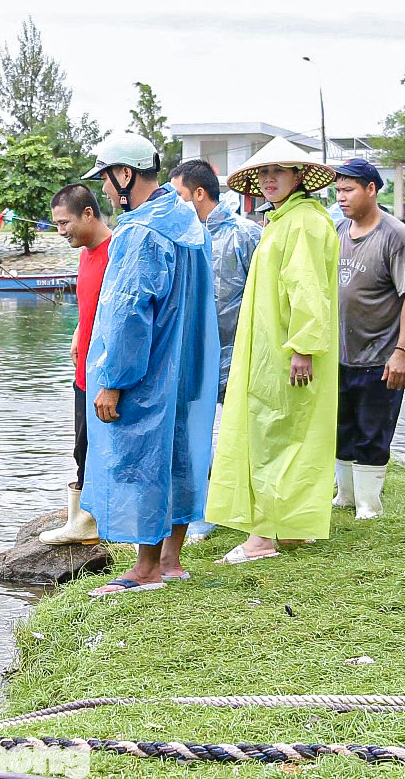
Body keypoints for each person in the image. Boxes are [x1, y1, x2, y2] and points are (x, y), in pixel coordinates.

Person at [76, 133, 219, 595]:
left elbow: (130, 311)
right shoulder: (187, 221)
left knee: (141, 459)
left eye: (105, 179)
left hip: (148, 368)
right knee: (178, 455)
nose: (104, 191)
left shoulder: (140, 232)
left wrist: (113, 380)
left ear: (125, 174)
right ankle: (172, 561)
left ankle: (146, 569)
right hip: (185, 365)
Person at [205, 137, 340, 564]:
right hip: (274, 342)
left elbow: (308, 289)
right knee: (294, 435)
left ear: (299, 176)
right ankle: (293, 526)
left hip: (284, 347)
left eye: (277, 171)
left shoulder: (300, 222)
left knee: (268, 436)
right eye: (263, 173)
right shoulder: (287, 220)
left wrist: (303, 346)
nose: (268, 179)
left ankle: (261, 537)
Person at [169, 159, 262, 545]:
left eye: (178, 196)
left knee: (246, 434)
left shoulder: (245, 234)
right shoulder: (182, 236)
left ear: (199, 194)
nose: (174, 205)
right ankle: (203, 513)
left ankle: (252, 510)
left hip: (242, 352)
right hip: (195, 353)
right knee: (195, 435)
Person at [330, 159, 405, 520]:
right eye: (338, 190)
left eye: (348, 189)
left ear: (371, 189)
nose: (341, 198)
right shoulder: (337, 231)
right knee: (342, 428)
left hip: (380, 354)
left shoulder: (395, 235)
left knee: (373, 431)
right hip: (339, 353)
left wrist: (402, 351)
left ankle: (370, 503)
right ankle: (346, 495)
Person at [40, 184, 111, 546]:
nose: (60, 230)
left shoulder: (114, 251)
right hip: (82, 370)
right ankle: (83, 521)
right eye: (56, 224)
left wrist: (114, 380)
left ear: (88, 213)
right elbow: (91, 304)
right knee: (81, 447)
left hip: (106, 374)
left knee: (102, 448)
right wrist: (78, 331)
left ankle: (91, 521)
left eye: (64, 222)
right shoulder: (85, 253)